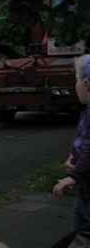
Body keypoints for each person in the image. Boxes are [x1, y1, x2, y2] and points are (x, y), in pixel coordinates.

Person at [53, 54, 90, 245]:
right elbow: (82, 141)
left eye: (75, 80)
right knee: (80, 232)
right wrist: (72, 157)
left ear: (86, 84)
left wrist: (73, 176)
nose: (74, 86)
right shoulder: (87, 112)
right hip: (84, 190)